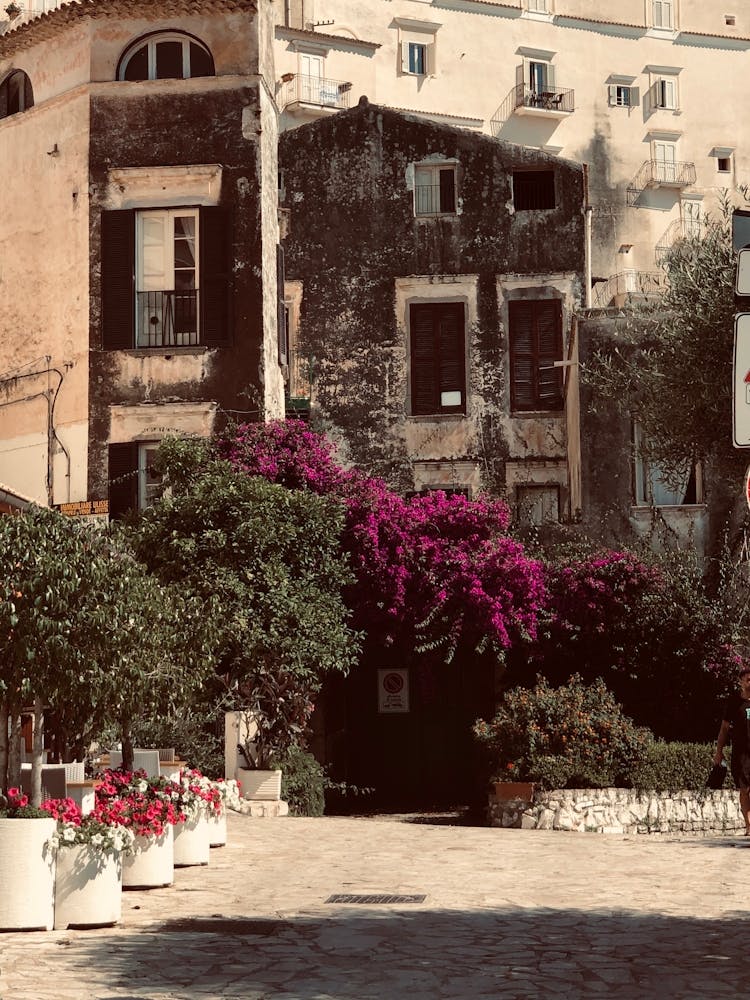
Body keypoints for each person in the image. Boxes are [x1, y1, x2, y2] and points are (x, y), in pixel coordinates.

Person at [715, 666, 750, 835]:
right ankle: (749, 826)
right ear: (741, 682)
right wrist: (719, 751)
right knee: (744, 790)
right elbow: (724, 729)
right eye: (748, 679)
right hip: (741, 754)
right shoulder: (733, 703)